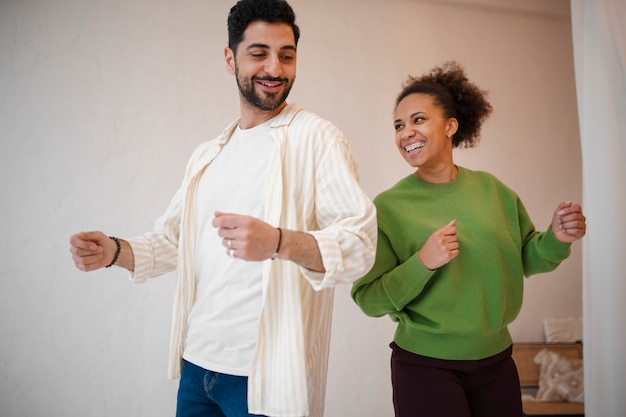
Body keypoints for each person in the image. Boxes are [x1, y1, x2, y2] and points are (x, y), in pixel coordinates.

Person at [69, 1, 377, 416]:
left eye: (287, 55)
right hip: (197, 368)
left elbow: (359, 243)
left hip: (266, 378)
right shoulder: (208, 154)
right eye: (258, 53)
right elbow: (173, 240)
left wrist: (279, 242)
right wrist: (115, 251)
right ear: (230, 59)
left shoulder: (318, 139)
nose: (275, 67)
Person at [350, 61, 586, 417]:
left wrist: (557, 237)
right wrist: (422, 263)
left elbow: (528, 257)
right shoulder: (388, 206)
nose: (405, 133)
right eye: (398, 125)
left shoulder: (493, 191)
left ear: (450, 126)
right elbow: (368, 299)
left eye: (418, 119)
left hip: (497, 362)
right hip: (426, 366)